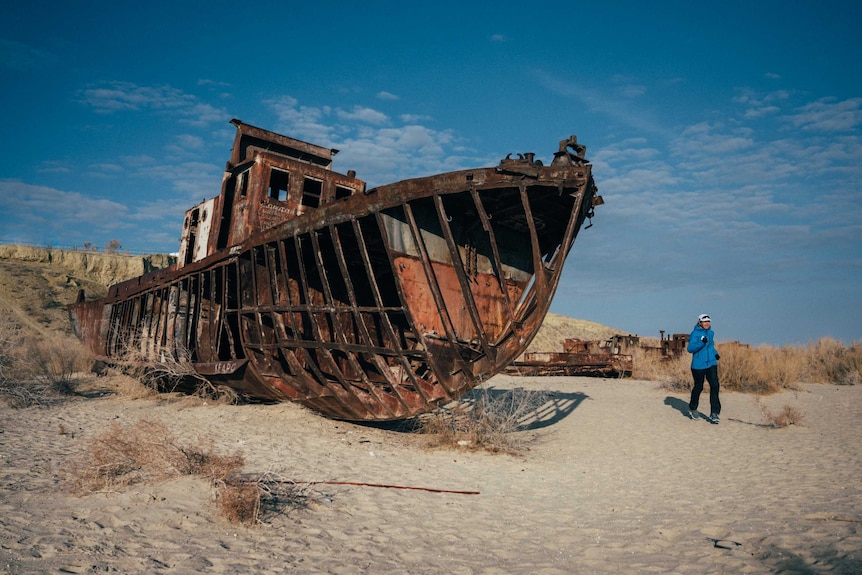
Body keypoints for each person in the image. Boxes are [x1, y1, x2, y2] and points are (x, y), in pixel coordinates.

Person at [687, 313, 721, 423]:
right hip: (698, 365)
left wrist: (715, 353)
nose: (707, 323)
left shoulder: (711, 333)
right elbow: (690, 348)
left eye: (708, 321)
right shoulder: (695, 334)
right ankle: (693, 408)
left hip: (711, 363)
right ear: (700, 322)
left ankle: (714, 413)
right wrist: (701, 343)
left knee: (715, 385)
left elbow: (711, 346)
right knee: (699, 387)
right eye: (704, 321)